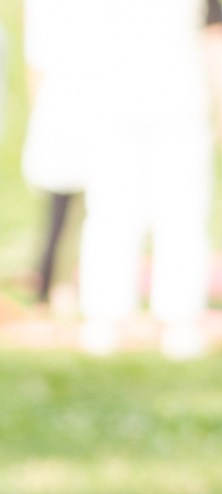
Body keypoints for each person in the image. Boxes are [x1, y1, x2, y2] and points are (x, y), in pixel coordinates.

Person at [78, 0, 222, 359]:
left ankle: (180, 319)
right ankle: (104, 316)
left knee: (183, 215)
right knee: (111, 213)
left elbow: (215, 34)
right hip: (112, 108)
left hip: (182, 108)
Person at [20, 0, 101, 312]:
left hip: (74, 107)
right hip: (66, 109)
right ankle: (55, 284)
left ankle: (62, 283)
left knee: (77, 210)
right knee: (65, 210)